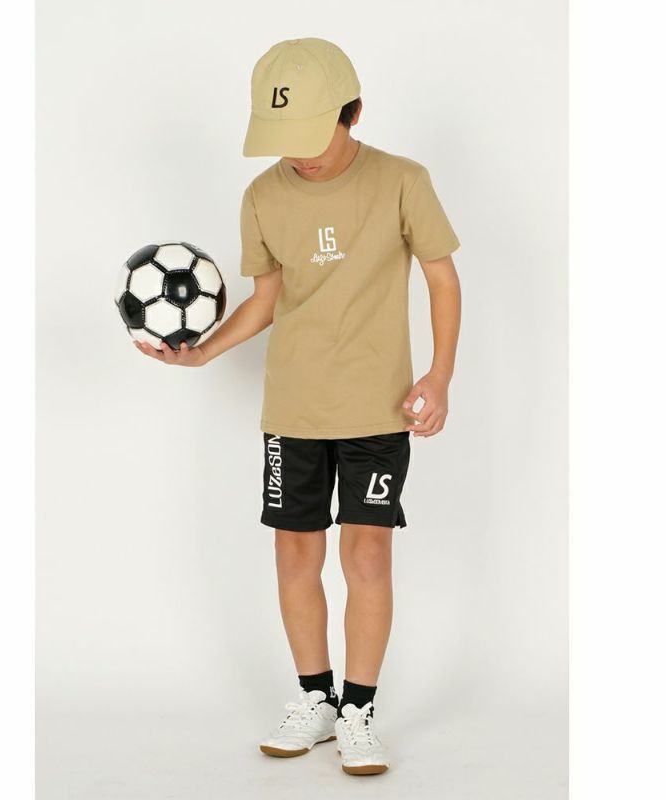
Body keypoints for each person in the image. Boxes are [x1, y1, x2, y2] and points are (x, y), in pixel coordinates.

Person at [134, 37, 462, 777]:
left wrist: (439, 376)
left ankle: (358, 711)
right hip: (293, 409)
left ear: (354, 113)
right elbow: (267, 299)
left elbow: (442, 279)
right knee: (294, 552)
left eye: (312, 135)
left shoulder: (403, 181)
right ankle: (315, 699)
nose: (299, 156)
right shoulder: (263, 196)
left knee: (367, 552)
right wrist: (204, 351)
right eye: (283, 138)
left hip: (378, 408)